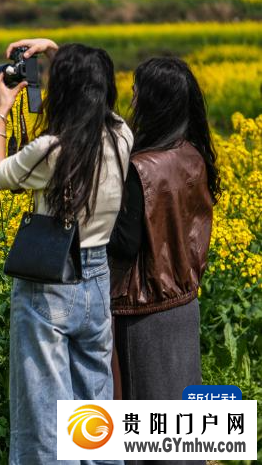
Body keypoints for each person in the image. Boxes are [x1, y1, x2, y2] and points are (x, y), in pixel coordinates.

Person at [0, 38, 132, 464]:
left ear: (62, 91)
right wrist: (55, 50)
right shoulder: (121, 136)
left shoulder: (52, 150)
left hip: (51, 282)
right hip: (97, 279)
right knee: (95, 410)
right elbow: (95, 86)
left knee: (45, 417)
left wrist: (2, 109)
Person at [108, 58, 218, 455]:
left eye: (137, 90)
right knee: (182, 434)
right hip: (183, 307)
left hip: (143, 313)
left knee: (143, 437)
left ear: (152, 100)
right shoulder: (193, 155)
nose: (132, 97)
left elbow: (123, 244)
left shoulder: (141, 169)